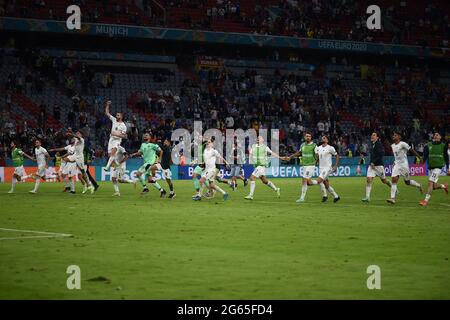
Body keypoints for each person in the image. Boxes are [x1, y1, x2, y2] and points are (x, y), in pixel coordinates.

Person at [386, 132, 423, 205]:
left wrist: (419, 157)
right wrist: (394, 161)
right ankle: (393, 198)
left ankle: (418, 185)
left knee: (407, 182)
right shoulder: (392, 145)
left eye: (395, 135)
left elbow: (411, 150)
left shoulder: (403, 144)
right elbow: (396, 156)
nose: (393, 136)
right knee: (394, 180)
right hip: (397, 165)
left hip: (404, 165)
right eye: (393, 135)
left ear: (399, 137)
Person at [244, 136, 282, 200]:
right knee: (264, 181)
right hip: (257, 166)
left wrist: (280, 158)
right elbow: (250, 153)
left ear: (263, 140)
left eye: (260, 138)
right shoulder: (253, 146)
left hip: (261, 166)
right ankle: (276, 189)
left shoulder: (265, 147)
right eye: (257, 138)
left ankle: (251, 195)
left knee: (252, 177)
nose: (258, 139)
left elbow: (272, 153)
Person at [286, 132, 318, 203]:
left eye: (309, 136)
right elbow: (299, 153)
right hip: (304, 165)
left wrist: (316, 161)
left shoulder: (314, 145)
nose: (308, 137)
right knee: (308, 182)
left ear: (311, 138)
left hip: (311, 165)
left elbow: (317, 154)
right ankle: (319, 182)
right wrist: (290, 157)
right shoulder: (302, 145)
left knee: (304, 179)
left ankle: (302, 198)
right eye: (307, 136)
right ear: (304, 137)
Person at [419, 132, 449, 206]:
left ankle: (425, 201)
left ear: (440, 137)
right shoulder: (428, 145)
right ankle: (444, 186)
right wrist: (421, 162)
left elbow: (446, 157)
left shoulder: (443, 146)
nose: (435, 135)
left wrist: (448, 168)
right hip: (430, 167)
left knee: (430, 183)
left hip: (438, 167)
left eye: (437, 134)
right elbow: (425, 156)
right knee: (434, 186)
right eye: (435, 134)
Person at [362, 132, 392, 202]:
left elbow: (381, 154)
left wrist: (373, 162)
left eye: (374, 135)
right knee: (368, 180)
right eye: (372, 135)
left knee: (384, 181)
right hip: (372, 166)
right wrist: (371, 162)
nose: (372, 136)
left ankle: (394, 188)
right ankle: (367, 197)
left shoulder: (379, 144)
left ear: (377, 138)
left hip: (378, 166)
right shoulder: (372, 144)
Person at [310, 135, 341, 203]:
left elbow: (337, 156)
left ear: (327, 140)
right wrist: (315, 163)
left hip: (327, 168)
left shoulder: (330, 148)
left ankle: (310, 183)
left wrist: (335, 166)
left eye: (324, 138)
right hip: (321, 167)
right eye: (322, 138)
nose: (322, 139)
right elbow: (318, 157)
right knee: (326, 184)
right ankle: (336, 196)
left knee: (319, 180)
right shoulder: (318, 148)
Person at [104, 100, 127, 171]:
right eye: (116, 115)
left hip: (117, 140)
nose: (116, 116)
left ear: (121, 116)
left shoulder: (123, 126)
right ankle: (117, 163)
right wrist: (107, 105)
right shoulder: (114, 120)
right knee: (110, 155)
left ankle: (107, 167)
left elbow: (124, 136)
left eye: (118, 115)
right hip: (111, 139)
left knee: (114, 151)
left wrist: (116, 134)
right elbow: (107, 113)